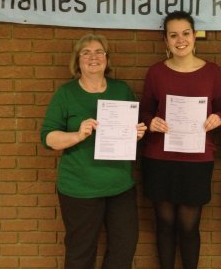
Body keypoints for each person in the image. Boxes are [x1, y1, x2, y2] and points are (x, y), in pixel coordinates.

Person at [40, 34, 147, 269]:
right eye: (86, 53)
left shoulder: (121, 90)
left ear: (107, 59)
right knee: (81, 252)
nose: (93, 57)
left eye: (99, 52)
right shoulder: (66, 94)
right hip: (79, 188)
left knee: (124, 247)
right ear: (77, 61)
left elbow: (132, 129)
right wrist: (77, 135)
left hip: (120, 186)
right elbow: (48, 139)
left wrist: (137, 132)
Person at [139, 10, 221, 269]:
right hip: (159, 158)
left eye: (186, 33)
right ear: (165, 40)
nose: (180, 40)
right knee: (164, 225)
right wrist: (151, 122)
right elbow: (144, 111)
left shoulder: (212, 72)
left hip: (197, 159)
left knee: (189, 226)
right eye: (173, 35)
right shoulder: (155, 72)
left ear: (194, 36)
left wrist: (218, 118)